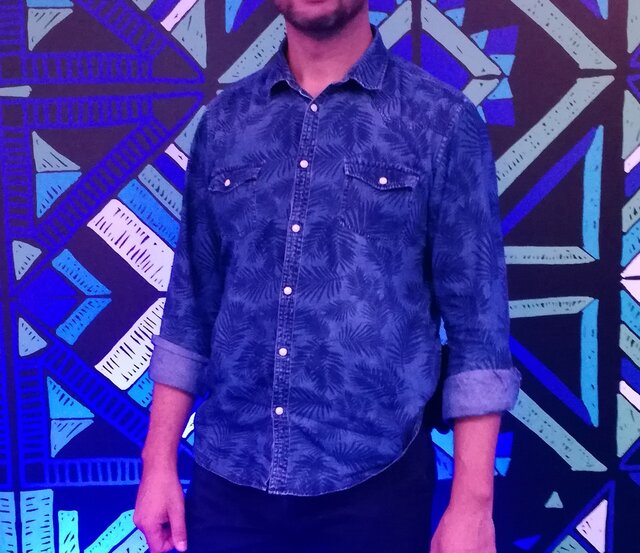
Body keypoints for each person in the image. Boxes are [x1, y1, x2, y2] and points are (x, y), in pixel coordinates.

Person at [133, 1, 522, 552]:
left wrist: (473, 506)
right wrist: (157, 464)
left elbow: (478, 327)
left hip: (376, 489)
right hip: (227, 483)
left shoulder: (441, 122)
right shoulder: (224, 124)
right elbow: (190, 305)